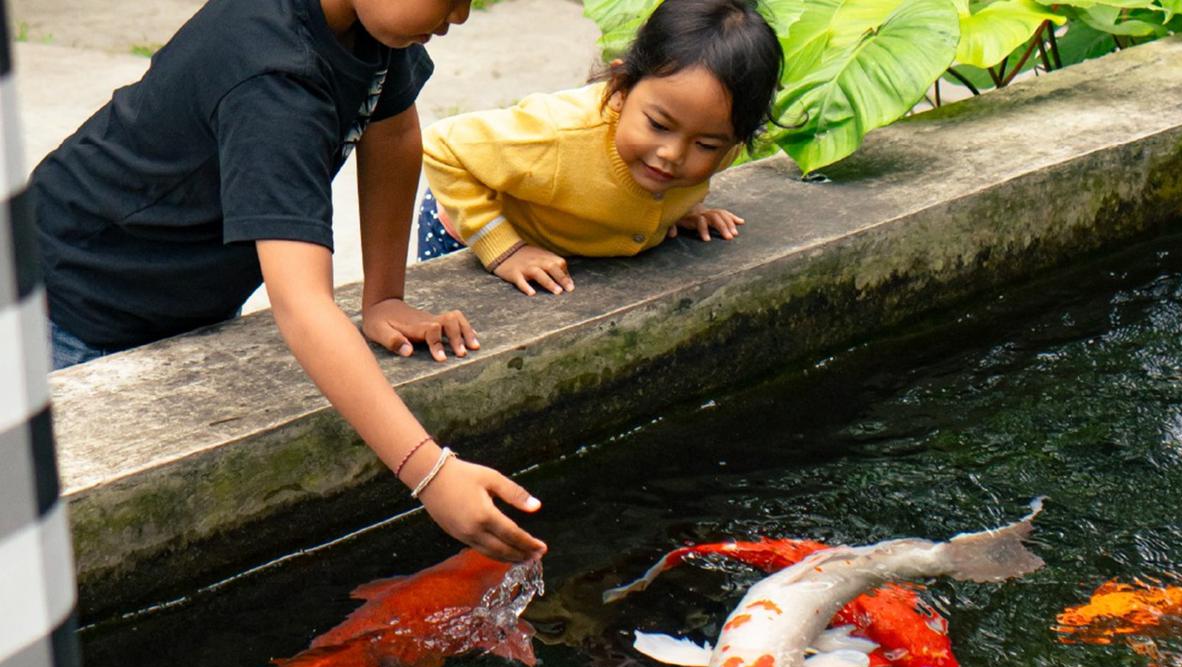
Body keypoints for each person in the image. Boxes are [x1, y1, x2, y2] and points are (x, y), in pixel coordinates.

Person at [31, 0, 547, 563]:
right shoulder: (275, 78)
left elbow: (393, 129)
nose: (463, 14)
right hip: (67, 303)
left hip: (171, 291)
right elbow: (302, 306)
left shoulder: (362, 26)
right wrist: (431, 473)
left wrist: (384, 297)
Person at [418, 0, 783, 296]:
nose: (672, 154)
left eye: (705, 144)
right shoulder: (558, 135)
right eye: (658, 125)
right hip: (468, 228)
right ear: (621, 88)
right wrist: (503, 249)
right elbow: (442, 146)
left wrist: (683, 207)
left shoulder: (719, 141)